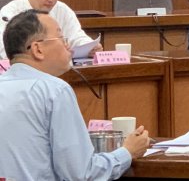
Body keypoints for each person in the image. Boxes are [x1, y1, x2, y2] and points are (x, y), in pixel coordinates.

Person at [0, 10, 149, 180]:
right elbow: (81, 173)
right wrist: (128, 152)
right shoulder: (54, 91)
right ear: (38, 49)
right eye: (62, 39)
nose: (69, 47)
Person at [0, 0, 102, 59]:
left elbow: (76, 37)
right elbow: (5, 50)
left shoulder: (63, 9)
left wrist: (89, 46)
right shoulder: (10, 13)